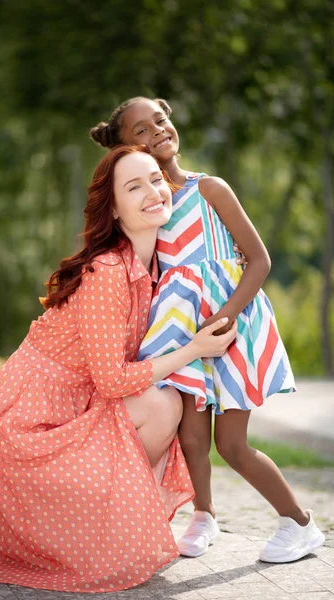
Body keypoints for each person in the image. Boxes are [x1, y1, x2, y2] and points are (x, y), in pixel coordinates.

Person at [0, 145, 238, 593]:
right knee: (162, 405)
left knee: (165, 399)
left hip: (74, 405)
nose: (153, 191)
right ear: (115, 211)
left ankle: (116, 531)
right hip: (26, 423)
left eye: (156, 179)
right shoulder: (107, 271)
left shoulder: (155, 267)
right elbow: (113, 381)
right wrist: (195, 348)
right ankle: (104, 533)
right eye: (134, 186)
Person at [90, 97, 325, 563]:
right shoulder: (145, 208)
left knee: (231, 444)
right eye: (140, 130)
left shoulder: (210, 189)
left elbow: (259, 260)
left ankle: (300, 524)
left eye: (160, 121)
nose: (156, 131)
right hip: (182, 334)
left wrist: (227, 315)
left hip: (232, 326)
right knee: (191, 438)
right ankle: (204, 516)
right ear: (122, 148)